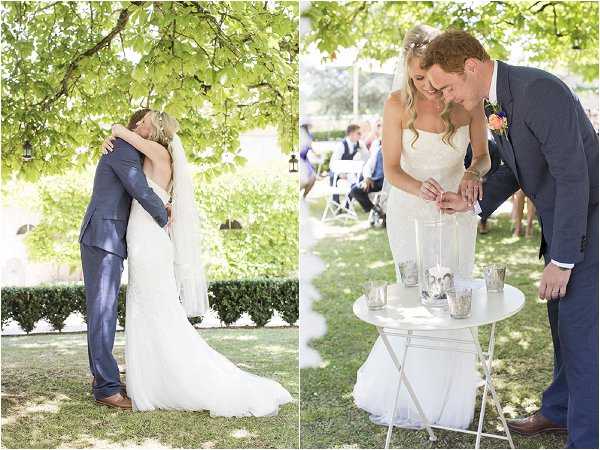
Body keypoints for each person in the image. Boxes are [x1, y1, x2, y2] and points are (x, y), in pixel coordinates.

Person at [427, 30, 598, 448]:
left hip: (589, 223)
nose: (447, 98)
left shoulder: (538, 90)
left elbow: (574, 176)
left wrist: (562, 261)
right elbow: (514, 168)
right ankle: (558, 412)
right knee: (561, 325)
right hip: (563, 223)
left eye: (447, 86)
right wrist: (469, 203)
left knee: (582, 333)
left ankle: (587, 438)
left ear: (471, 66)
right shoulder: (495, 100)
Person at [99, 110, 292, 414]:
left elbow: (124, 134)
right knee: (147, 306)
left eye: (146, 121)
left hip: (148, 237)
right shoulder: (153, 153)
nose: (139, 124)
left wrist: (114, 129)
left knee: (155, 307)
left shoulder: (160, 151)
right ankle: (147, 378)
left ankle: (165, 381)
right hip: (144, 236)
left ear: (158, 128)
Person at [352, 24, 491, 430]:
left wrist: (471, 177)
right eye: (417, 78)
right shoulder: (396, 105)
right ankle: (411, 390)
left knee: (455, 294)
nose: (428, 89)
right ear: (408, 71)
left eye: (432, 79)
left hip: (455, 213)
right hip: (410, 213)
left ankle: (449, 394)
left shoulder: (466, 102)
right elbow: (392, 170)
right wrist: (420, 189)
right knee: (416, 297)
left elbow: (482, 157)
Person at [79, 109, 170, 410]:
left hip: (108, 236)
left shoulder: (125, 145)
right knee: (103, 313)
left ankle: (103, 379)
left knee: (102, 311)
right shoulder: (122, 147)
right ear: (138, 125)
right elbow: (138, 187)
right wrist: (164, 214)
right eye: (147, 124)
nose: (150, 130)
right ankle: (107, 388)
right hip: (103, 235)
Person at [348, 138, 385, 216]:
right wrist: (367, 178)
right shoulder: (377, 151)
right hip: (375, 181)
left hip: (389, 183)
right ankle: (377, 210)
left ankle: (383, 214)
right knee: (355, 190)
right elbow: (367, 166)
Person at [329, 124, 362, 206]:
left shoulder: (358, 144)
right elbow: (333, 162)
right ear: (351, 134)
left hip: (349, 171)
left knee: (356, 182)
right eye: (358, 133)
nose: (360, 136)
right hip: (337, 171)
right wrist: (340, 173)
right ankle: (336, 203)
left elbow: (365, 156)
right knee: (333, 177)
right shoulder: (341, 145)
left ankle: (347, 205)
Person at [300, 121, 318, 198]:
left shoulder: (309, 136)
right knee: (304, 180)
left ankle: (304, 196)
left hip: (304, 160)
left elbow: (310, 147)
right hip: (300, 160)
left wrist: (316, 154)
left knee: (312, 178)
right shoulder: (300, 136)